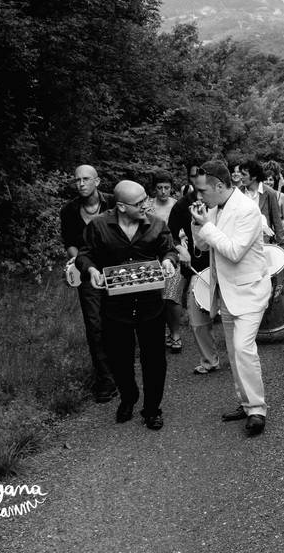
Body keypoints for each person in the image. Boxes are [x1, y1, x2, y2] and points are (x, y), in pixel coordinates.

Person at [76, 180, 178, 430]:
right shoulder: (99, 226)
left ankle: (152, 409)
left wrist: (167, 260)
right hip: (115, 307)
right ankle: (128, 397)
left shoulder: (156, 224)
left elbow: (170, 250)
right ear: (121, 206)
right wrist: (90, 269)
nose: (147, 205)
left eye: (147, 199)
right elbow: (84, 254)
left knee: (154, 360)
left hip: (151, 305)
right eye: (140, 202)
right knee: (119, 359)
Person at [191, 160, 271, 437]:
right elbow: (201, 247)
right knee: (234, 352)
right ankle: (245, 402)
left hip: (249, 291)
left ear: (220, 185)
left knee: (243, 348)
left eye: (203, 191)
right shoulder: (213, 209)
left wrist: (207, 227)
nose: (200, 196)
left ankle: (258, 410)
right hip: (225, 291)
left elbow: (234, 251)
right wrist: (197, 222)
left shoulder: (248, 209)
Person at [59, 164, 118, 403]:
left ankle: (121, 369)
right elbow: (70, 242)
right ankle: (105, 379)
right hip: (87, 272)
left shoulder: (114, 203)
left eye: (85, 179)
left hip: (115, 270)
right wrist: (77, 259)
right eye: (77, 180)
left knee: (117, 321)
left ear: (97, 181)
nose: (81, 184)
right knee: (94, 325)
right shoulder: (69, 211)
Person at [168, 183, 223, 376]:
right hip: (198, 269)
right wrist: (181, 249)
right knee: (196, 312)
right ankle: (209, 360)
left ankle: (238, 358)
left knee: (232, 316)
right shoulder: (183, 205)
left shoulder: (226, 204)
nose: (201, 195)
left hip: (227, 269)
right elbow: (171, 236)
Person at [150, 170, 184, 354]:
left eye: (167, 188)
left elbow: (185, 230)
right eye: (159, 188)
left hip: (173, 253)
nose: (163, 191)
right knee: (156, 297)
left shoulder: (177, 206)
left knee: (172, 295)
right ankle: (159, 332)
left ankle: (176, 333)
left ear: (172, 188)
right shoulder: (147, 206)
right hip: (152, 255)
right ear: (154, 189)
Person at [238, 158, 284, 243]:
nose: (241, 177)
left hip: (263, 242)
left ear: (254, 176)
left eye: (244, 174)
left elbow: (277, 222)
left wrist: (282, 247)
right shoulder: (238, 192)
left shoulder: (270, 193)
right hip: (242, 242)